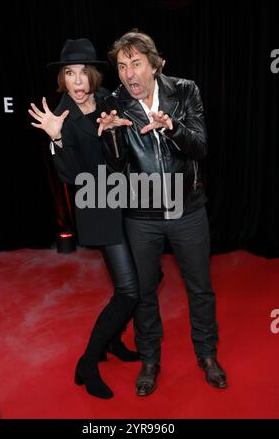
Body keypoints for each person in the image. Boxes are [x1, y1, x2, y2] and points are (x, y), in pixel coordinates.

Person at [98, 30, 227, 396]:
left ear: (155, 65)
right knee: (143, 292)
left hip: (188, 210)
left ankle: (206, 354)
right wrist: (109, 135)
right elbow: (116, 163)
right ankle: (150, 359)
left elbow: (200, 147)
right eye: (122, 66)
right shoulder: (115, 101)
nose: (128, 74)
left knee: (200, 288)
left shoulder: (185, 91)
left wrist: (173, 127)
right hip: (141, 214)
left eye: (136, 64)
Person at [28, 38, 140, 399]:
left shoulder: (107, 99)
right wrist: (58, 139)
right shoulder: (61, 114)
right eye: (69, 73)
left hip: (126, 200)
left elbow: (122, 157)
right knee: (128, 291)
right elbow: (73, 177)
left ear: (93, 76)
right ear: (63, 78)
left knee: (148, 276)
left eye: (82, 73)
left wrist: (119, 132)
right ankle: (87, 363)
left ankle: (113, 342)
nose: (77, 82)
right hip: (98, 207)